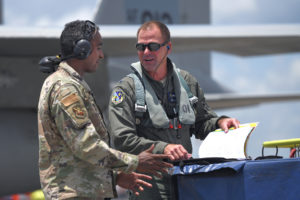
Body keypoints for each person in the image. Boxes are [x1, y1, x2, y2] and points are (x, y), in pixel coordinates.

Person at [37, 20, 173, 200]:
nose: (101, 55)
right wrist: (135, 162)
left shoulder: (70, 84)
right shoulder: (66, 88)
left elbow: (74, 153)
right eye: (98, 47)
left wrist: (115, 177)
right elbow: (87, 146)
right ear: (82, 49)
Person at [108, 20, 240, 199]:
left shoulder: (187, 83)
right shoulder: (126, 90)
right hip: (149, 188)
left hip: (186, 183)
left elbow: (201, 123)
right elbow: (122, 139)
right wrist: (164, 148)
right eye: (141, 47)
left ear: (168, 47)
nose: (146, 52)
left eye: (153, 46)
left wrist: (220, 122)